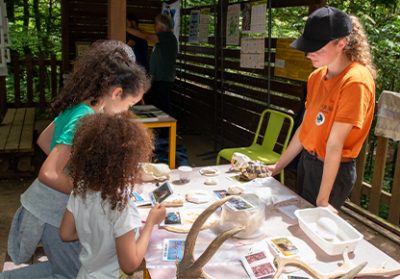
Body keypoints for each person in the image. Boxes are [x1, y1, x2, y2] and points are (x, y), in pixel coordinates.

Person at [1, 40, 149, 279]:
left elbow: (44, 139)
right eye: (129, 104)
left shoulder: (83, 105)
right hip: (49, 212)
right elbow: (48, 173)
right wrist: (89, 187)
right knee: (70, 274)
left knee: (67, 270)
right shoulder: (85, 116)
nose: (125, 112)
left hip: (49, 208)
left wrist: (76, 172)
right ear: (117, 90)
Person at [268, 6, 376, 211]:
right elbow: (305, 129)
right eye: (308, 47)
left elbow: (335, 145)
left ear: (341, 44)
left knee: (313, 227)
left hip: (333, 172)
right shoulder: (316, 77)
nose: (309, 54)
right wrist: (277, 166)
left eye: (317, 49)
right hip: (308, 163)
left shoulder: (355, 82)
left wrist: (323, 200)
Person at [59, 113, 166, 278]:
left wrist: (98, 233)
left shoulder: (80, 189)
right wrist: (151, 223)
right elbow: (130, 265)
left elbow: (65, 234)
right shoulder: (120, 205)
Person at [127, 14, 178, 114]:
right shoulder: (164, 38)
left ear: (162, 26)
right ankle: (161, 128)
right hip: (158, 78)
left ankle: (166, 129)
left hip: (163, 79)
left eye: (156, 24)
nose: (155, 27)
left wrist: (127, 28)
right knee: (157, 105)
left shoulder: (167, 36)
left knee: (163, 106)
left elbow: (146, 36)